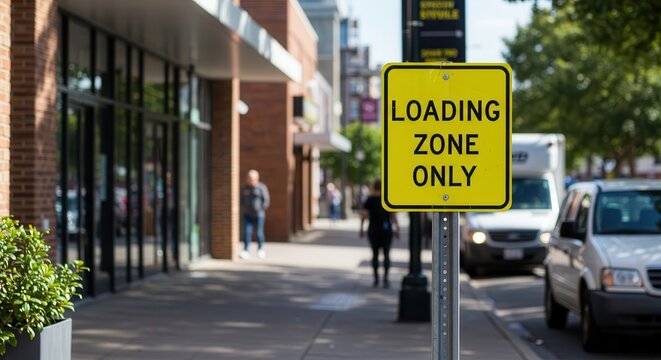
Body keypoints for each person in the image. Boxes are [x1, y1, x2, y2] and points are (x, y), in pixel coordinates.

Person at [359, 179, 399, 288]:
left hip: (373, 229)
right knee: (386, 254)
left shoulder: (370, 199)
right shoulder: (387, 199)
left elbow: (364, 214)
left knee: (375, 254)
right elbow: (393, 214)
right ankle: (386, 279)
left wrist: (361, 228)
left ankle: (376, 279)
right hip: (386, 230)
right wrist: (397, 228)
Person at [240, 169, 270, 259]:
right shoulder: (244, 188)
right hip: (247, 214)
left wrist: (261, 209)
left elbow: (266, 200)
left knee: (259, 233)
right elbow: (241, 200)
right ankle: (246, 250)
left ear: (257, 178)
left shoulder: (261, 187)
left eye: (252, 178)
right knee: (246, 232)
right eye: (249, 178)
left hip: (258, 215)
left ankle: (261, 249)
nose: (250, 180)